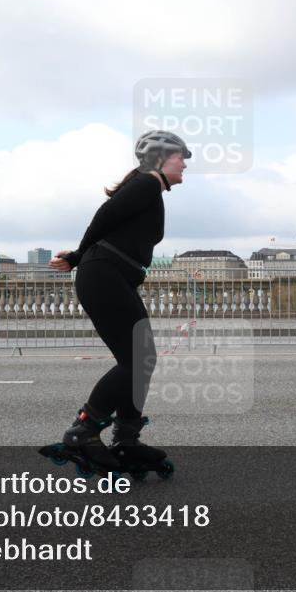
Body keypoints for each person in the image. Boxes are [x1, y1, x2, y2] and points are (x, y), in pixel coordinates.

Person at [47, 130, 189, 474]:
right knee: (138, 358)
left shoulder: (148, 187)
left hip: (114, 275)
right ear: (159, 159)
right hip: (103, 274)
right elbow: (105, 216)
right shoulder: (147, 183)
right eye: (180, 156)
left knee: (141, 359)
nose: (184, 163)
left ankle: (127, 437)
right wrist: (80, 255)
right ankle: (83, 431)